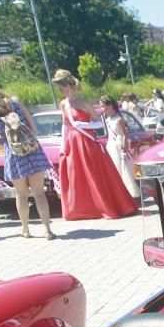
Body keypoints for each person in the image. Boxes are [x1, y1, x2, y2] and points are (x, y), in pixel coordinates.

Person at [0, 80, 56, 238]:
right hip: (33, 150)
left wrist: (7, 138)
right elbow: (33, 127)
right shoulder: (14, 101)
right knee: (39, 193)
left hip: (13, 153)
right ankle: (48, 229)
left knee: (21, 194)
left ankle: (25, 229)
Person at [52, 69, 137, 220]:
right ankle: (81, 209)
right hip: (73, 144)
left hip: (86, 142)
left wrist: (82, 125)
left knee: (95, 175)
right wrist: (62, 147)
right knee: (76, 176)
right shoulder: (63, 104)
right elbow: (65, 125)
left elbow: (99, 123)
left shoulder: (84, 102)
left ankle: (104, 207)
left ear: (70, 86)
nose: (60, 91)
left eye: (62, 87)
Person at [100, 95, 139, 199]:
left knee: (123, 169)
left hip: (119, 145)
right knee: (115, 170)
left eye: (103, 106)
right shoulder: (107, 119)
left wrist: (124, 147)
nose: (101, 109)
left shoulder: (118, 119)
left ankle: (130, 193)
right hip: (111, 146)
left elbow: (123, 134)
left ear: (109, 106)